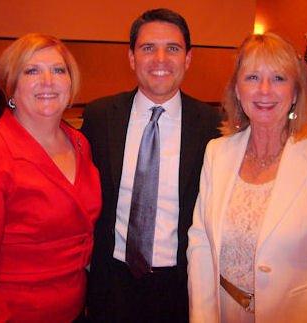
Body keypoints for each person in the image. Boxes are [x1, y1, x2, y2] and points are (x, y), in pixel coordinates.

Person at [187, 32, 307, 323]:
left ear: (295, 93)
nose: (264, 90)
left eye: (279, 78)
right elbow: (201, 243)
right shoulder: (217, 153)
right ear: (237, 91)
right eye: (252, 77)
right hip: (223, 312)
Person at [0, 33, 102, 322]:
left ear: (71, 81)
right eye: (31, 71)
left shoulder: (79, 143)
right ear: (11, 87)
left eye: (58, 70)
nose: (48, 80)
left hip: (75, 311)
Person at [81, 8, 221, 323]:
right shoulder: (100, 116)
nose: (160, 58)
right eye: (148, 48)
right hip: (111, 282)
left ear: (188, 58)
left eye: (172, 48)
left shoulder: (214, 126)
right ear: (131, 57)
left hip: (180, 286)